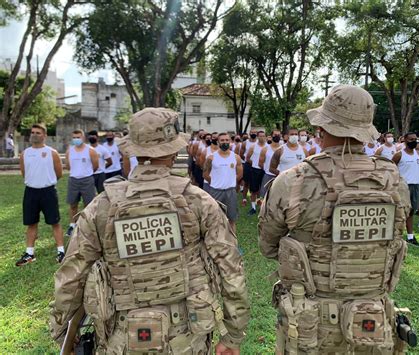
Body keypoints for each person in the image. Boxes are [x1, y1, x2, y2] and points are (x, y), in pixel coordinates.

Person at [50, 108, 250, 355]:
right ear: (174, 149)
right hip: (188, 337)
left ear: (131, 149)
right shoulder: (198, 201)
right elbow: (230, 268)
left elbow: (72, 275)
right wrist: (232, 335)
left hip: (122, 337)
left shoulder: (101, 207)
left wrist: (61, 334)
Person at [259, 84, 412, 354]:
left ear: (322, 129)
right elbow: (397, 233)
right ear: (365, 131)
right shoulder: (394, 179)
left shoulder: (294, 180)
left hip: (310, 321)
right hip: (372, 316)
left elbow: (268, 245)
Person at [15, 124, 65, 266]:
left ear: (44, 135)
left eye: (38, 132)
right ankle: (29, 254)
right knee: (31, 223)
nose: (34, 134)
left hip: (48, 191)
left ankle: (61, 252)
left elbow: (59, 173)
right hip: (31, 192)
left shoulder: (52, 152)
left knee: (54, 222)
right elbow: (24, 173)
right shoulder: (24, 154)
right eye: (32, 132)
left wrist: (45, 182)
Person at [204, 132, 243, 232]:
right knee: (214, 219)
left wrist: (229, 182)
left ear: (230, 142)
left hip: (231, 192)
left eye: (227, 140)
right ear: (218, 142)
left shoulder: (236, 157)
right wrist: (216, 183)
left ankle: (233, 243)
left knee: (231, 219)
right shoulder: (211, 158)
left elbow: (239, 175)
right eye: (222, 140)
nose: (225, 142)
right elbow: (205, 175)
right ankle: (215, 241)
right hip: (215, 192)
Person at [65, 129, 99, 237]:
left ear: (83, 138)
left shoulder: (90, 150)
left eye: (78, 137)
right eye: (74, 137)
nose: (76, 139)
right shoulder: (69, 151)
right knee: (73, 204)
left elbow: (96, 166)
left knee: (88, 204)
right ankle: (72, 225)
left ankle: (87, 225)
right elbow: (68, 166)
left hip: (87, 180)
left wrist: (86, 173)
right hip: (73, 180)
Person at [393, 132, 419, 246]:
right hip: (402, 187)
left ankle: (410, 237)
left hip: (415, 186)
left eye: (415, 139)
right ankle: (395, 235)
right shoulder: (399, 155)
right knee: (399, 212)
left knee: (411, 212)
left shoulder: (418, 153)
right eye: (411, 139)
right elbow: (391, 169)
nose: (414, 141)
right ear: (404, 140)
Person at [245, 131, 267, 215]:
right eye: (260, 136)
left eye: (263, 136)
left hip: (265, 171)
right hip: (255, 170)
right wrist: (254, 164)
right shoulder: (253, 147)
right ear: (257, 137)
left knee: (264, 190)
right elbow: (247, 158)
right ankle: (253, 208)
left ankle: (263, 207)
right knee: (254, 190)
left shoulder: (268, 147)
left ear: (265, 137)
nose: (262, 137)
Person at [258, 129, 281, 197]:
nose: (277, 136)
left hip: (280, 175)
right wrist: (267, 169)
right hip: (268, 175)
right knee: (264, 196)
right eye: (275, 135)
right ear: (271, 136)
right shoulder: (265, 149)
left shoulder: (283, 148)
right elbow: (260, 163)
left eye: (278, 135)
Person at [240, 129, 257, 205]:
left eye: (254, 133)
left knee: (256, 183)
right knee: (246, 183)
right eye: (252, 132)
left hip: (257, 166)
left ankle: (257, 200)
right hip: (248, 165)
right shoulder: (245, 143)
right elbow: (241, 154)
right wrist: (247, 161)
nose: (253, 134)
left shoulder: (259, 143)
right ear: (249, 134)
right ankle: (244, 199)